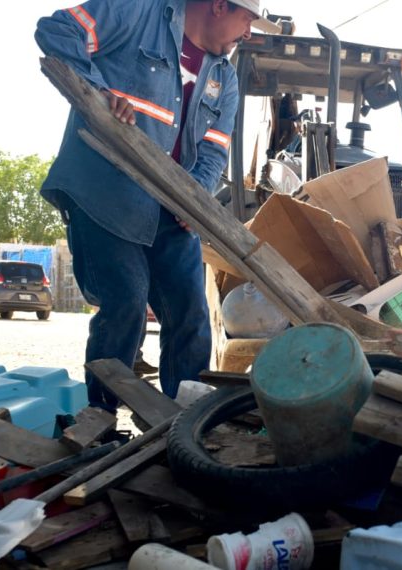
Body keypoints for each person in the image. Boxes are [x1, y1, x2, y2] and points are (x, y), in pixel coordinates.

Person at [36, 0, 260, 411]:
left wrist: (194, 200)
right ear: (218, 6)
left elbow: (214, 152)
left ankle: (186, 423)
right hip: (104, 194)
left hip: (169, 209)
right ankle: (101, 422)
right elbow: (57, 30)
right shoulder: (137, 13)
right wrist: (98, 93)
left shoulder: (224, 78)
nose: (248, 33)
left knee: (190, 314)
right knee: (126, 302)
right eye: (247, 19)